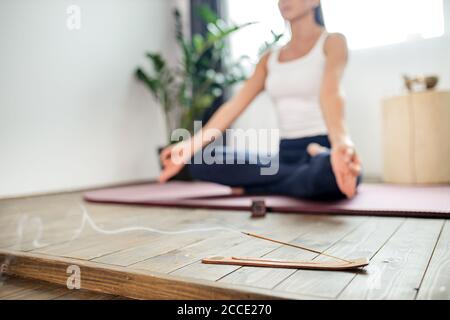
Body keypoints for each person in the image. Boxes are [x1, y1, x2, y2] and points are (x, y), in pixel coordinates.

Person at [159, 0, 362, 200]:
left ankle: (261, 186)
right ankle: (284, 183)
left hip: (322, 149)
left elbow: (331, 94)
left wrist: (342, 145)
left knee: (329, 171)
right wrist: (188, 147)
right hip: (283, 156)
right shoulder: (269, 59)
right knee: (200, 163)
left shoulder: (332, 42)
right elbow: (234, 105)